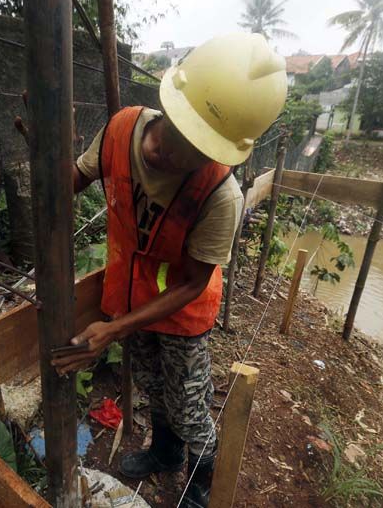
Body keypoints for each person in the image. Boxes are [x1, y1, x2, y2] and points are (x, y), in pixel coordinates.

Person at [53, 33, 287, 507]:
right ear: (171, 109)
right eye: (186, 141)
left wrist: (114, 328)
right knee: (153, 387)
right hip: (130, 298)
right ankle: (165, 453)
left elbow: (193, 281)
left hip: (182, 313)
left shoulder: (221, 196)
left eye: (207, 151)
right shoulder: (120, 130)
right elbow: (73, 179)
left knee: (188, 403)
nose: (189, 159)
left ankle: (202, 478)